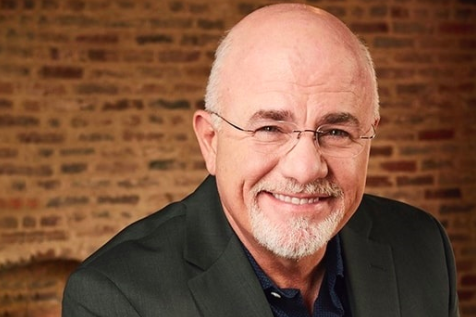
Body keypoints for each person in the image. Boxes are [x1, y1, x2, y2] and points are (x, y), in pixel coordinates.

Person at [62, 3, 459, 317]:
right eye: (270, 129)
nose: (305, 169)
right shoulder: (115, 297)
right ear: (210, 141)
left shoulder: (421, 246)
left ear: (370, 134)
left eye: (336, 132)